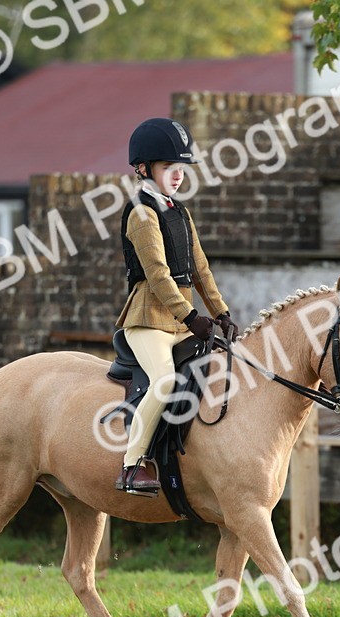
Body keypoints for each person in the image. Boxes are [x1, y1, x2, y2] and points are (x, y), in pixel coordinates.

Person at [113, 117, 238, 494]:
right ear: (143, 168)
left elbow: (200, 268)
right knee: (165, 381)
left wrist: (221, 311)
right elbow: (158, 275)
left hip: (183, 322)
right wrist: (193, 316)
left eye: (180, 167)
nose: (178, 175)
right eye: (169, 167)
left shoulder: (179, 211)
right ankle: (132, 464)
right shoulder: (141, 213)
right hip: (148, 321)